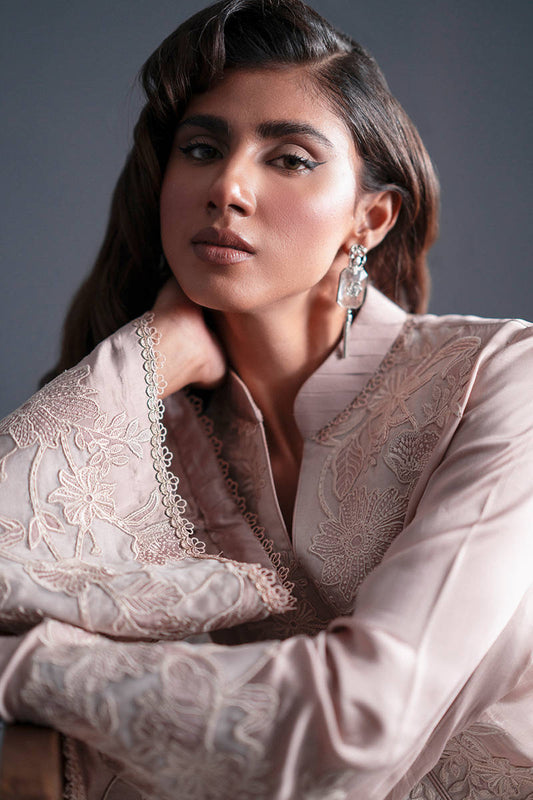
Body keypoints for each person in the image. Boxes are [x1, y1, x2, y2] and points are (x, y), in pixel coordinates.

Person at [0, 0, 532, 798]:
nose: (228, 186)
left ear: (369, 218)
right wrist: (144, 358)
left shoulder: (501, 379)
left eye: (288, 158)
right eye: (202, 149)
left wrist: (20, 669)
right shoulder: (157, 428)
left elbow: (359, 721)